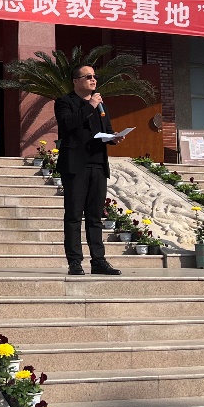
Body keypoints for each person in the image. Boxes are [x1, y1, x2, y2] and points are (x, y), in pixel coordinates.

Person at [54, 64, 122, 276]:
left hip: (98, 164)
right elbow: (68, 124)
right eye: (88, 77)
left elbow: (106, 130)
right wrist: (90, 105)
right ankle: (75, 262)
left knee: (95, 216)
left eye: (95, 76)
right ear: (76, 81)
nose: (93, 80)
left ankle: (98, 261)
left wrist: (114, 137)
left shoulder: (100, 104)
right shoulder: (65, 102)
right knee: (74, 215)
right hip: (75, 166)